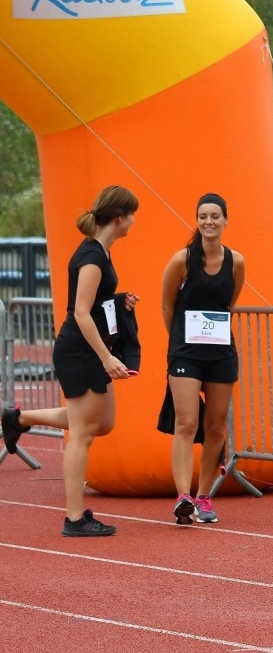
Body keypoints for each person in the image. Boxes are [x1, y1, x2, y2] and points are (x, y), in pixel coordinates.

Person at [3, 186, 139, 537]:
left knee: (103, 422)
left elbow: (94, 303)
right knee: (82, 433)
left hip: (87, 348)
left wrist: (120, 300)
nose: (134, 223)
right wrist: (106, 356)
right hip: (80, 350)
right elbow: (80, 312)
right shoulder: (92, 257)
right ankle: (75, 518)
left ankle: (20, 417)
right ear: (120, 218)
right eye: (132, 215)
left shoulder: (103, 253)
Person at [159, 193, 246, 525]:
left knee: (215, 426)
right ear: (196, 221)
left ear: (225, 220)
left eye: (215, 216)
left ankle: (204, 496)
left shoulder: (236, 261)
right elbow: (167, 305)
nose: (209, 222)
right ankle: (183, 496)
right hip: (185, 353)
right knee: (186, 422)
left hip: (221, 352)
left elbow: (229, 302)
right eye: (202, 216)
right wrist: (180, 338)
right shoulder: (182, 259)